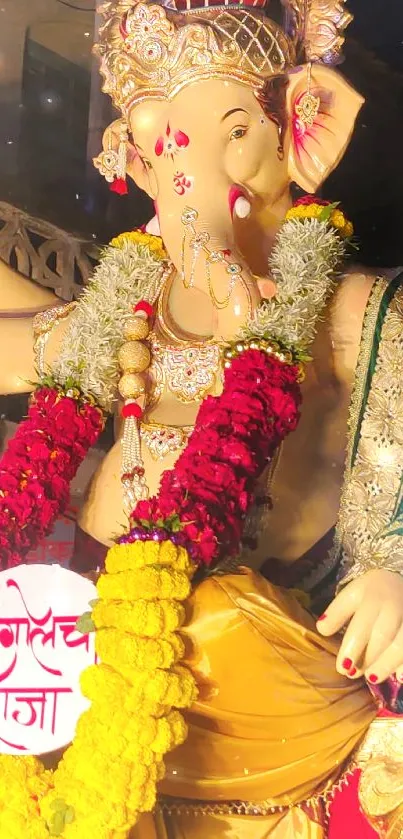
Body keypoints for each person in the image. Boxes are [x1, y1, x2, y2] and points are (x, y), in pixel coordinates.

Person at [0, 0, 402, 836]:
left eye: (232, 132)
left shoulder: (357, 310)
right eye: (157, 144)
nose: (192, 174)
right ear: (133, 162)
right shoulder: (124, 310)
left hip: (284, 734)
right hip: (103, 720)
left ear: (305, 129)